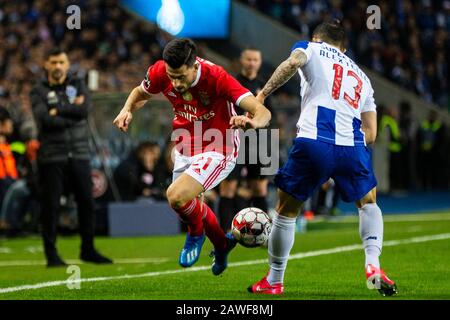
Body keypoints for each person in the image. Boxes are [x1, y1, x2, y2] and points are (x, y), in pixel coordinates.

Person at [248, 20, 397, 296]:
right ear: (344, 46)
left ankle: (274, 280)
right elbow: (372, 133)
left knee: (286, 210)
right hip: (352, 146)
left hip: (315, 140)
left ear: (317, 37)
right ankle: (373, 265)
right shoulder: (362, 76)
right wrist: (345, 152)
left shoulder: (311, 48)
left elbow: (291, 64)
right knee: (368, 202)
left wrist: (262, 94)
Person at [113, 38, 271, 275]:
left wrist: (253, 122)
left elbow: (263, 111)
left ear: (195, 66)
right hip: (185, 145)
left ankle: (195, 234)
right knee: (186, 203)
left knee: (176, 196)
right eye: (171, 76)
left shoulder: (217, 77)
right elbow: (140, 92)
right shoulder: (160, 71)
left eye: (181, 77)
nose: (175, 83)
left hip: (220, 147)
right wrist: (126, 109)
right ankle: (221, 244)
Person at [30, 48, 112, 267]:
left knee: (86, 202)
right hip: (52, 156)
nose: (57, 66)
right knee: (51, 206)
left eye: (61, 62)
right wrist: (69, 112)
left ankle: (88, 249)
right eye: (53, 62)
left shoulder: (78, 84)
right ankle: (51, 255)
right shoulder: (37, 90)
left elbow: (84, 110)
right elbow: (44, 120)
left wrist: (58, 110)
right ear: (46, 64)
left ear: (67, 65)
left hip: (79, 153)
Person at [218, 47, 272, 232]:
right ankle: (225, 234)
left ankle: (263, 232)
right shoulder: (231, 83)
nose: (251, 63)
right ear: (242, 60)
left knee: (260, 189)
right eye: (248, 59)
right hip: (234, 139)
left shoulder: (265, 86)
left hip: (262, 141)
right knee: (228, 189)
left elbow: (270, 116)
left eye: (255, 59)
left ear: (260, 62)